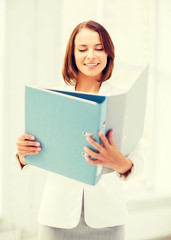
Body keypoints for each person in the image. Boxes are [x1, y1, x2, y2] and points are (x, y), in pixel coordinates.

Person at [16, 20, 143, 240]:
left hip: (108, 218)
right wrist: (22, 155)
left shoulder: (122, 99)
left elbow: (138, 158)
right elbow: (34, 153)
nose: (91, 55)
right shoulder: (53, 98)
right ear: (72, 55)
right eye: (82, 49)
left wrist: (119, 163)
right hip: (57, 217)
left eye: (99, 48)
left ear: (108, 53)